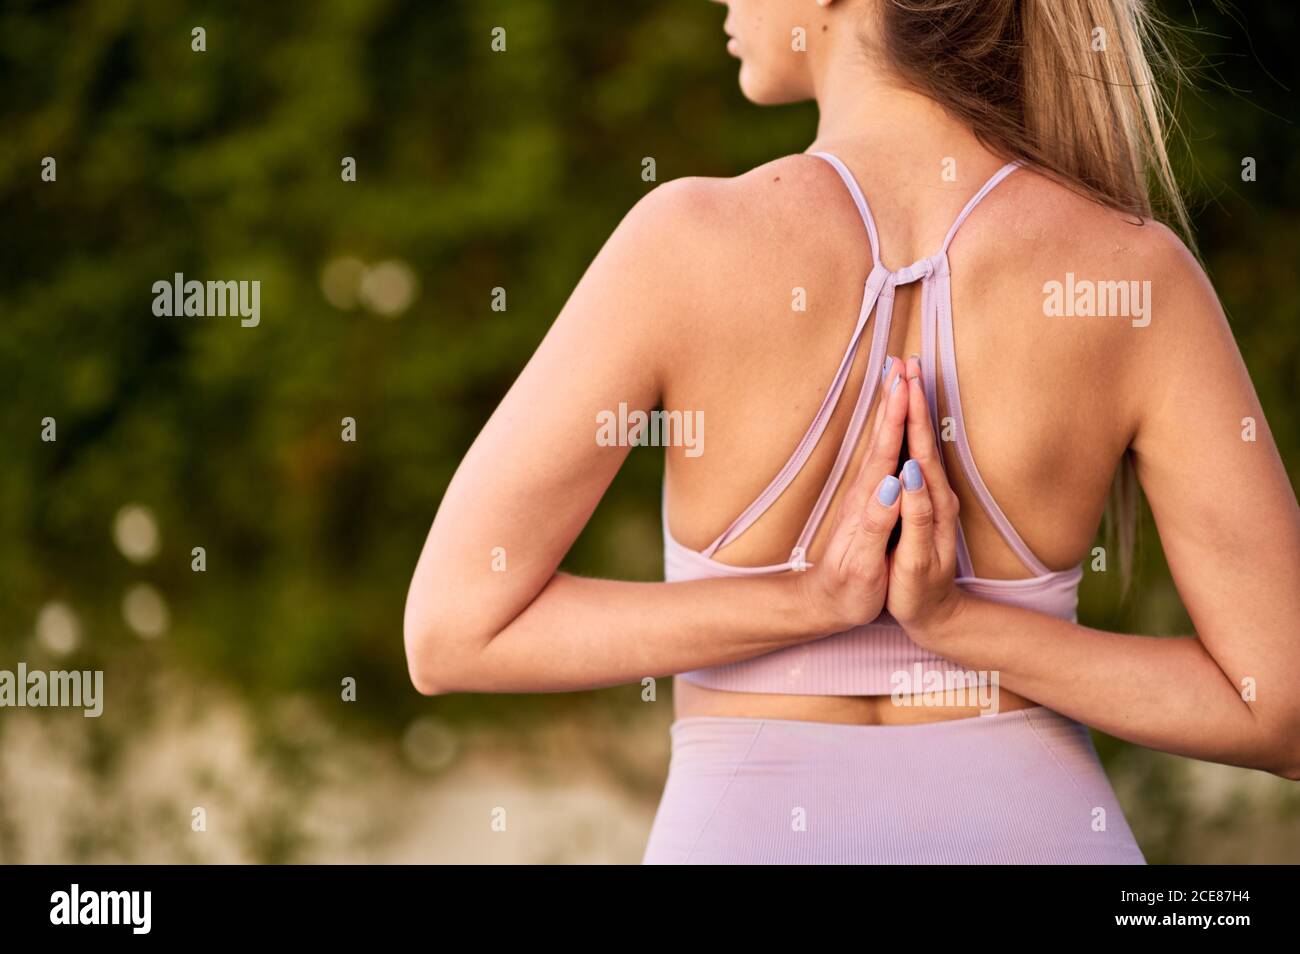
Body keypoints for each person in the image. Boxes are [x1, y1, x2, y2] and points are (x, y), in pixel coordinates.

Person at [404, 0, 1300, 863]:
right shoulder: (1136, 273)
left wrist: (809, 603)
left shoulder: (683, 242)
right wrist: (957, 624)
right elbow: (1278, 708)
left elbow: (454, 632)